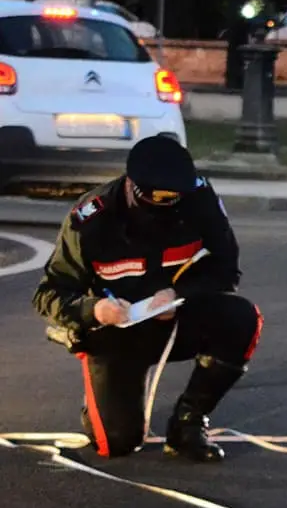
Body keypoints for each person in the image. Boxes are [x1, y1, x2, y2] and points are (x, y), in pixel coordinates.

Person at [32, 136, 261, 463]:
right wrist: (94, 309)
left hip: (173, 316)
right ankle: (100, 393)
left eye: (173, 206)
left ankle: (188, 422)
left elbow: (227, 271)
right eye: (154, 208)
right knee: (118, 443)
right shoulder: (91, 221)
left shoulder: (201, 200)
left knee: (241, 319)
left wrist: (177, 295)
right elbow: (48, 294)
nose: (162, 218)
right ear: (131, 188)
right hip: (113, 328)